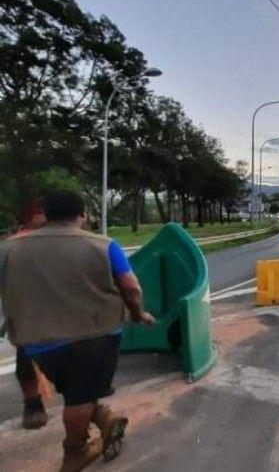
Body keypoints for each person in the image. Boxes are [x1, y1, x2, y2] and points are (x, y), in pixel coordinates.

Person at [0, 191, 156, 471]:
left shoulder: (10, 249)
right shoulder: (104, 245)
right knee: (79, 397)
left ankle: (105, 418)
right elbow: (131, 287)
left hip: (38, 341)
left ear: (46, 216)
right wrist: (138, 313)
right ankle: (75, 452)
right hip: (97, 334)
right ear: (82, 215)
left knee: (76, 387)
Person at [2, 198, 49, 430]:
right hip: (26, 313)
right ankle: (33, 404)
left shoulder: (59, 240)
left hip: (61, 310)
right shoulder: (12, 246)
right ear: (29, 218)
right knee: (26, 360)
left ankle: (87, 405)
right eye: (39, 212)